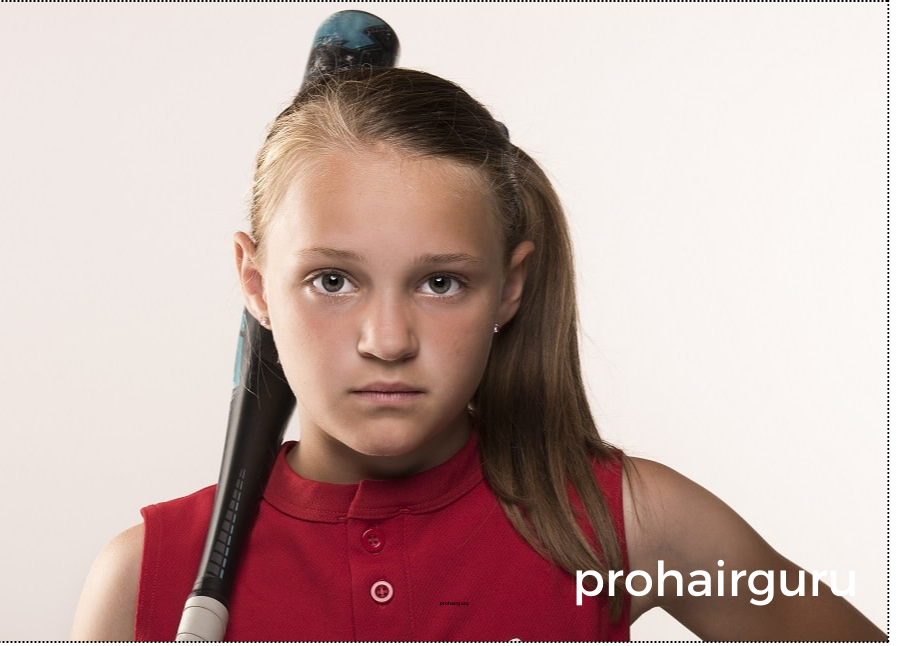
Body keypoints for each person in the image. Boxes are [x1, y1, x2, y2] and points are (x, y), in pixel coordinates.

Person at [69, 67, 886, 641]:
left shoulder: (622, 525)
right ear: (254, 281)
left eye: (440, 283)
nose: (386, 341)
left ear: (510, 288)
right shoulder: (145, 577)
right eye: (330, 279)